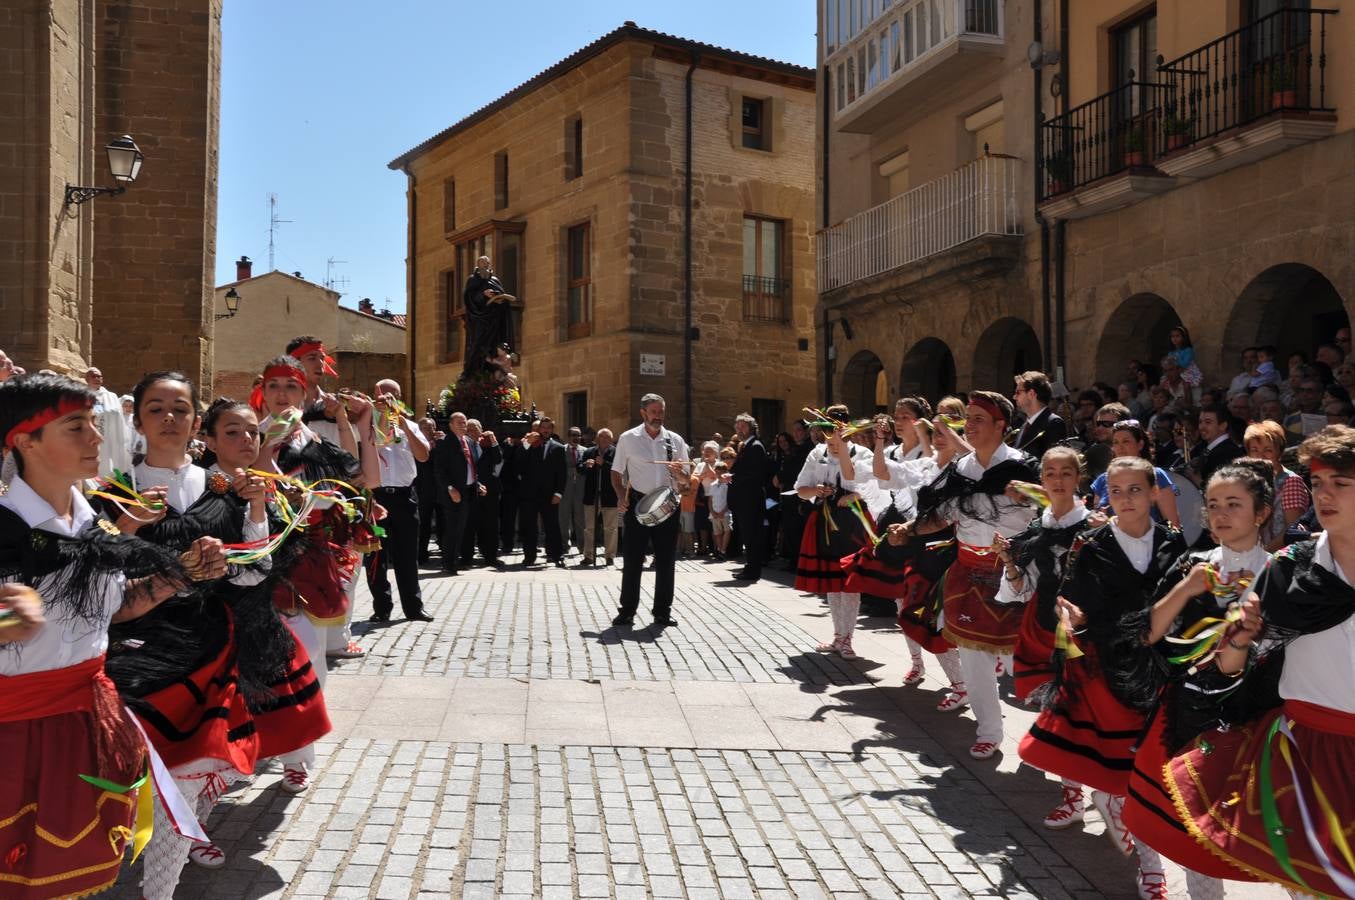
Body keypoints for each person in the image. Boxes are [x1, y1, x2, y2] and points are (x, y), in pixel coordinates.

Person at [0, 372, 225, 900]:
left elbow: (114, 608)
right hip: (14, 735)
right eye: (75, 426)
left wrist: (183, 573)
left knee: (70, 876)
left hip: (88, 719)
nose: (96, 439)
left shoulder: (93, 523)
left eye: (95, 424)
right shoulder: (4, 532)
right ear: (25, 441)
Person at [1155, 427, 1355, 898]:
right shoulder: (1290, 568)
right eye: (1318, 482)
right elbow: (1229, 668)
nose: (1323, 494)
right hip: (1306, 754)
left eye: (1340, 484)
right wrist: (1240, 639)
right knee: (1314, 887)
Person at [1017, 456, 1187, 898]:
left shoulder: (1174, 545)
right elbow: (1070, 601)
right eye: (1116, 491)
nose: (1125, 499)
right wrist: (1067, 615)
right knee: (1128, 772)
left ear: (1154, 494)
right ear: (1104, 496)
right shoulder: (1089, 544)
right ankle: (1151, 868)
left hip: (1160, 673)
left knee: (1148, 775)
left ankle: (1144, 855)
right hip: (1105, 673)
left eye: (1135, 490)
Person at [1120, 459, 1274, 900]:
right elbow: (1149, 633)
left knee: (1257, 829)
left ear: (1261, 512)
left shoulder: (1280, 571)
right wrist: (1187, 588)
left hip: (1252, 717)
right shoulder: (1195, 563)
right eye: (1213, 505)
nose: (1221, 514)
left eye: (1234, 504)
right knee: (1185, 827)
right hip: (1187, 712)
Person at [911, 392, 1040, 759]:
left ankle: (1045, 737)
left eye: (979, 418)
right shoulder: (961, 470)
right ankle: (989, 730)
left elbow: (1052, 513)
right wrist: (910, 528)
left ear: (1001, 425)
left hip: (1016, 574)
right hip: (968, 571)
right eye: (968, 417)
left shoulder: (1024, 467)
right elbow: (943, 514)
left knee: (1025, 659)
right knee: (972, 653)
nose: (969, 424)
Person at [994, 446, 1092, 830]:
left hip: (1081, 631)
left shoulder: (1096, 527)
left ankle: (1085, 793)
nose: (1057, 480)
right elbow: (1022, 587)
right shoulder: (1039, 527)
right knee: (1053, 711)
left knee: (1076, 714)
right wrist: (1007, 561)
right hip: (1041, 626)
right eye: (1050, 473)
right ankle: (1074, 793)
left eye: (1065, 473)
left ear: (1077, 478)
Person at [284, 336, 379, 661]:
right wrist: (311, 411)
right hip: (296, 497)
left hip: (338, 494)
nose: (319, 363)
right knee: (300, 569)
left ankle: (338, 638)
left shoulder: (337, 401)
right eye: (311, 357)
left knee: (347, 567)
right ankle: (303, 636)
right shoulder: (282, 400)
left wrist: (342, 416)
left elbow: (351, 454)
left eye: (320, 358)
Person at [794, 406, 887, 660]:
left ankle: (848, 638)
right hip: (824, 520)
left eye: (836, 433)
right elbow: (801, 489)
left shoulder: (862, 454)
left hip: (854, 522)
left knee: (850, 583)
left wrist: (855, 494)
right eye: (826, 433)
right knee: (832, 583)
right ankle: (838, 635)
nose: (831, 440)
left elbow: (876, 488)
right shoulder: (817, 453)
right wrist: (817, 491)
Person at [610, 394, 690, 629]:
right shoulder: (628, 438)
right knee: (633, 559)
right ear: (643, 412)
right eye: (654, 411)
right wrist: (619, 496)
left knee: (666, 561)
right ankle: (627, 610)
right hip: (638, 503)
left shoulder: (675, 440)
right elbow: (616, 472)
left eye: (661, 411)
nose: (658, 416)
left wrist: (679, 473)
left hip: (668, 505)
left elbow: (687, 481)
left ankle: (662, 611)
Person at [365, 379, 432, 624]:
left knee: (407, 555)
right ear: (376, 395)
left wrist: (403, 423)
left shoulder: (410, 425)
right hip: (377, 500)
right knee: (376, 556)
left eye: (395, 395)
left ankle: (414, 608)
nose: (390, 399)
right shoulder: (367, 423)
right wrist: (384, 416)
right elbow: (380, 441)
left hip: (404, 498)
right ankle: (381, 607)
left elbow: (423, 456)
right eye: (385, 395)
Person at [1088, 420, 1182, 527]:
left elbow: (1173, 525)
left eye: (1126, 441)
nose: (1120, 447)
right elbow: (1096, 518)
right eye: (1116, 442)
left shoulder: (1157, 475)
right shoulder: (1102, 480)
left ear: (1140, 444)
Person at [1244, 420, 1311, 550]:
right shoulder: (1248, 481)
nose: (1260, 456)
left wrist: (1263, 555)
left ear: (1279, 452)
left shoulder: (1290, 481)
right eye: (1254, 450)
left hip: (1279, 560)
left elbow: (1293, 532)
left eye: (1268, 450)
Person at [433, 411, 481, 578]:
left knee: (465, 528)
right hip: (454, 492)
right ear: (451, 425)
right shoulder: (445, 443)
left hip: (469, 490)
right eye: (459, 422)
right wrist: (450, 488)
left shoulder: (468, 440)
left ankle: (462, 559)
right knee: (453, 529)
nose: (463, 425)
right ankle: (449, 564)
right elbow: (439, 470)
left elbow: (471, 466)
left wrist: (477, 483)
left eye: (465, 421)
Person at [516, 416, 567, 567]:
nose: (545, 430)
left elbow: (561, 473)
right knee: (529, 527)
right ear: (538, 429)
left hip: (550, 495)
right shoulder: (527, 444)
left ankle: (556, 555)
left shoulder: (558, 448)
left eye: (548, 427)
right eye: (543, 427)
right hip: (529, 494)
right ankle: (529, 557)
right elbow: (518, 463)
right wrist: (527, 443)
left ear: (552, 430)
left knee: (552, 526)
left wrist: (559, 493)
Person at [730, 412, 771, 582]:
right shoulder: (746, 445)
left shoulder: (755, 446)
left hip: (751, 499)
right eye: (737, 426)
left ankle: (753, 570)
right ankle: (750, 567)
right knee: (748, 535)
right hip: (745, 499)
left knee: (752, 535)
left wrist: (732, 477)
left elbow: (756, 474)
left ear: (752, 428)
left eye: (743, 426)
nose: (739, 429)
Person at [462, 256, 514, 374]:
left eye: (487, 265)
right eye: (483, 265)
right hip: (479, 321)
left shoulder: (495, 280)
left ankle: (492, 370)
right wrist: (483, 294)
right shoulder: (472, 280)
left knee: (493, 345)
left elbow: (501, 295)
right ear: (478, 266)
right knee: (478, 346)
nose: (485, 268)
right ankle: (473, 373)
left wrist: (500, 299)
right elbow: (469, 299)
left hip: (494, 321)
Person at [464, 419, 504, 568]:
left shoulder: (488, 445)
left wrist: (493, 441)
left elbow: (498, 458)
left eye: (475, 429)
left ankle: (491, 557)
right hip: (470, 489)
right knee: (469, 525)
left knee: (491, 525)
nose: (472, 433)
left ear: (481, 430)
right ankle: (466, 558)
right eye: (469, 430)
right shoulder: (463, 445)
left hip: (490, 491)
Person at [578, 427, 618, 567]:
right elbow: (580, 468)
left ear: (611, 439)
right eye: (602, 437)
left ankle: (610, 556)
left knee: (610, 527)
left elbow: (618, 470)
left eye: (607, 437)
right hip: (592, 495)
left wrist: (604, 464)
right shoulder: (589, 452)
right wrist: (586, 465)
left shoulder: (616, 452)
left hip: (610, 496)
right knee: (589, 528)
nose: (604, 440)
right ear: (597, 439)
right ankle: (588, 555)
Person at [84, 365, 131, 478]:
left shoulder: (111, 396)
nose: (97, 379)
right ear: (86, 379)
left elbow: (119, 418)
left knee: (109, 467)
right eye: (93, 376)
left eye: (99, 376)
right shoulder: (81, 396)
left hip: (110, 439)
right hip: (89, 439)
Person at [1012, 371, 1069, 457]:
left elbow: (1054, 461)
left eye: (1018, 392)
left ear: (1031, 394)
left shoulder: (1053, 423)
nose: (1014, 397)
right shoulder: (1024, 425)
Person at [415, 417, 443, 564]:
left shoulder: (441, 443)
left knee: (443, 522)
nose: (430, 430)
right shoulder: (416, 443)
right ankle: (421, 553)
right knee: (424, 524)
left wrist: (443, 443)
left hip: (441, 490)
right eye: (426, 428)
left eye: (432, 427)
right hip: (423, 490)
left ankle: (445, 552)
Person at [557, 426, 586, 557]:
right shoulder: (561, 450)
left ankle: (582, 546)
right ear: (568, 437)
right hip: (565, 489)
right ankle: (564, 545)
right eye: (574, 435)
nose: (576, 438)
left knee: (580, 519)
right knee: (564, 518)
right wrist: (572, 471)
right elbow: (559, 470)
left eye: (578, 435)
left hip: (580, 490)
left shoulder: (586, 451)